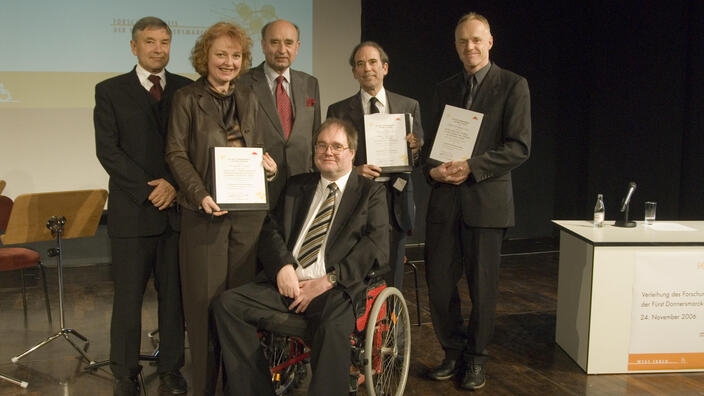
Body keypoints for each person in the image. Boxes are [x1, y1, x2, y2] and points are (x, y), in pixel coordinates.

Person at [212, 119, 389, 396]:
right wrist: (283, 266)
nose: (327, 151)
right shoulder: (297, 185)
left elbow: (375, 246)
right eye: (321, 145)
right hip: (288, 284)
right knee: (228, 304)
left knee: (332, 326)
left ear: (352, 152)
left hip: (334, 289)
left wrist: (329, 280)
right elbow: (271, 230)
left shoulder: (371, 192)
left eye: (336, 146)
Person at [165, 22, 277, 395]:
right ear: (205, 57)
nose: (228, 62)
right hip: (204, 217)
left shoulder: (249, 97)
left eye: (235, 55)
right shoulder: (186, 98)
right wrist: (198, 194)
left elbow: (254, 150)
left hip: (248, 218)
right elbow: (176, 154)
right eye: (220, 54)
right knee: (203, 309)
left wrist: (268, 166)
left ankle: (239, 387)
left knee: (239, 310)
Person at [422, 12, 531, 390]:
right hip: (444, 204)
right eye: (462, 41)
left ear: (490, 41)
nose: (470, 46)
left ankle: (477, 359)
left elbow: (519, 147)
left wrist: (473, 166)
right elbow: (431, 150)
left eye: (476, 40)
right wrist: (431, 169)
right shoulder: (444, 89)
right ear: (456, 46)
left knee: (482, 289)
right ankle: (451, 351)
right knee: (438, 285)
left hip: (486, 203)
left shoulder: (513, 85)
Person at [94, 16, 191, 396]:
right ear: (134, 46)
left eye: (164, 42)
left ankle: (171, 369)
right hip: (133, 213)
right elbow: (109, 151)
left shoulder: (186, 89)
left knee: (173, 300)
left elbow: (192, 147)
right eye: (149, 42)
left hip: (176, 212)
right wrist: (151, 190)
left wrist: (174, 184)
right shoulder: (110, 91)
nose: (158, 49)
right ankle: (125, 373)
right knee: (128, 299)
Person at [327, 41, 422, 289]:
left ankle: (391, 324)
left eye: (372, 62)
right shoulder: (337, 110)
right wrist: (354, 171)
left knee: (393, 278)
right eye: (360, 64)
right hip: (357, 200)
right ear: (354, 73)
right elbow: (331, 159)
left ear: (385, 68)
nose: (367, 68)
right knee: (355, 272)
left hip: (396, 200)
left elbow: (418, 159)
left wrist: (415, 149)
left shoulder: (409, 106)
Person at [237, 19, 321, 208]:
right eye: (275, 42)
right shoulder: (242, 83)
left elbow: (315, 134)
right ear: (263, 45)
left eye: (289, 43)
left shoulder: (310, 83)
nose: (282, 50)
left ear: (297, 47)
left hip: (303, 184)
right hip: (259, 184)